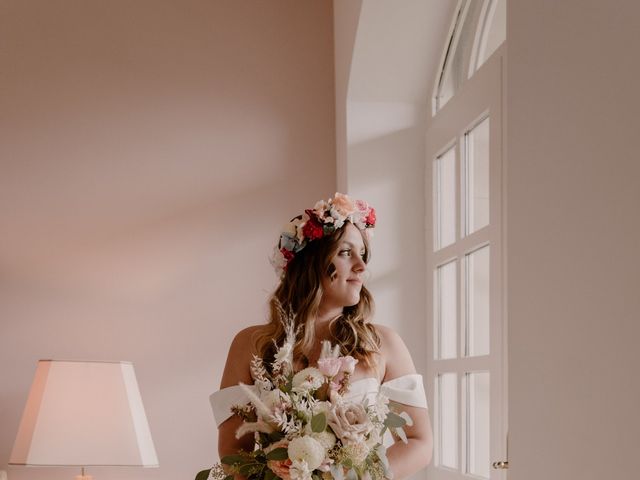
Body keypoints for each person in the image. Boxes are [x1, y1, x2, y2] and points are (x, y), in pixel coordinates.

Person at [210, 193, 433, 480]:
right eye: (345, 253)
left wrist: (356, 476)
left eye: (362, 255)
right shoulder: (250, 344)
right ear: (310, 262)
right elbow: (233, 451)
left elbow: (419, 442)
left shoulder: (384, 344)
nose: (362, 266)